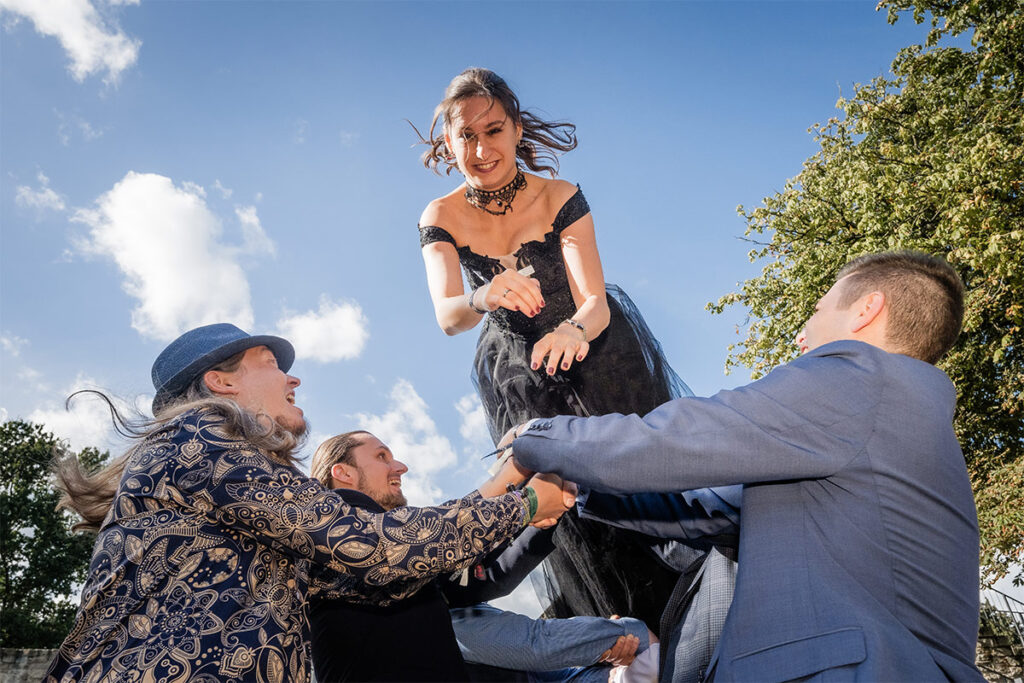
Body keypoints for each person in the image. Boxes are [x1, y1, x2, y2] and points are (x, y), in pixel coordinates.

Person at [511, 251, 986, 681]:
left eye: (818, 310)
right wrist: (579, 485)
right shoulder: (882, 426)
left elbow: (684, 438)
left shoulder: (861, 378)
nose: (803, 332)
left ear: (867, 309)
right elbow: (704, 507)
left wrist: (539, 439)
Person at [45, 323, 573, 683]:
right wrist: (522, 505)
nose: (292, 377)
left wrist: (513, 485)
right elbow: (372, 545)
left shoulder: (234, 488)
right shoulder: (198, 435)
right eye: (271, 362)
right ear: (221, 381)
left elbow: (380, 575)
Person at [416, 66, 688, 625]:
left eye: (493, 131)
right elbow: (448, 316)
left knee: (639, 476)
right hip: (521, 376)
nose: (481, 148)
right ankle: (621, 641)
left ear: (516, 130)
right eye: (465, 135)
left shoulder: (560, 196)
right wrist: (484, 294)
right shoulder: (440, 216)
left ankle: (695, 602)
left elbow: (596, 301)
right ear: (448, 140)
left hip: (598, 354)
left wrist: (573, 330)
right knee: (569, 515)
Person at [307, 430, 658, 683]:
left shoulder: (421, 555)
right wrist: (522, 485)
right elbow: (445, 530)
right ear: (344, 472)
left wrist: (548, 511)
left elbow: (487, 573)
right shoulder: (344, 542)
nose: (400, 465)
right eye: (381, 456)